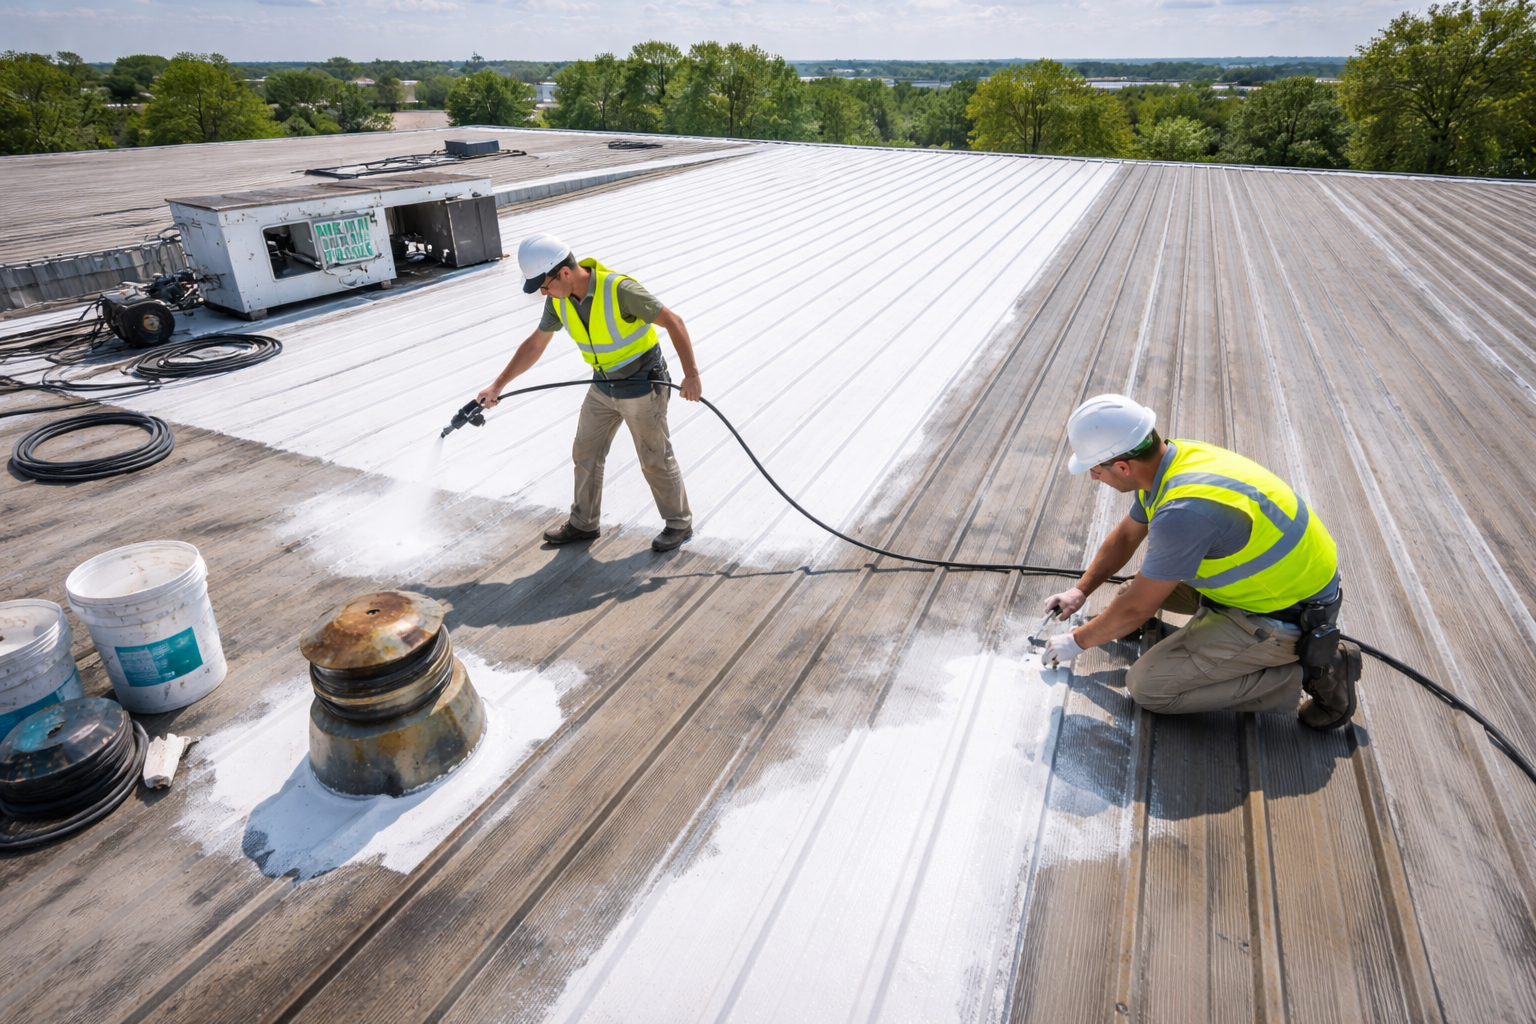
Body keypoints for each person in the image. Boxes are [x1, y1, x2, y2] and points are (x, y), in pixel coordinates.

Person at [1040, 394, 1362, 730]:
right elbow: (1126, 536)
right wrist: (1081, 591)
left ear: (1122, 467)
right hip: (1277, 583)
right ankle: (1215, 638)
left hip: (1285, 615)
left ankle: (1313, 670)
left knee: (1148, 687)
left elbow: (1138, 610)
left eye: (1095, 469)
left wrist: (1077, 642)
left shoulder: (1184, 511)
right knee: (1126, 597)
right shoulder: (1170, 459)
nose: (1093, 477)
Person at [477, 234, 700, 553]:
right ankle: (583, 523)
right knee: (585, 452)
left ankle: (678, 523)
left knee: (653, 457)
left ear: (564, 273)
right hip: (603, 384)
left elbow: (673, 322)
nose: (543, 291)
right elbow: (535, 344)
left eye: (545, 284)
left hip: (642, 383)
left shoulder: (619, 290)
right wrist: (497, 385)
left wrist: (691, 375)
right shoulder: (558, 301)